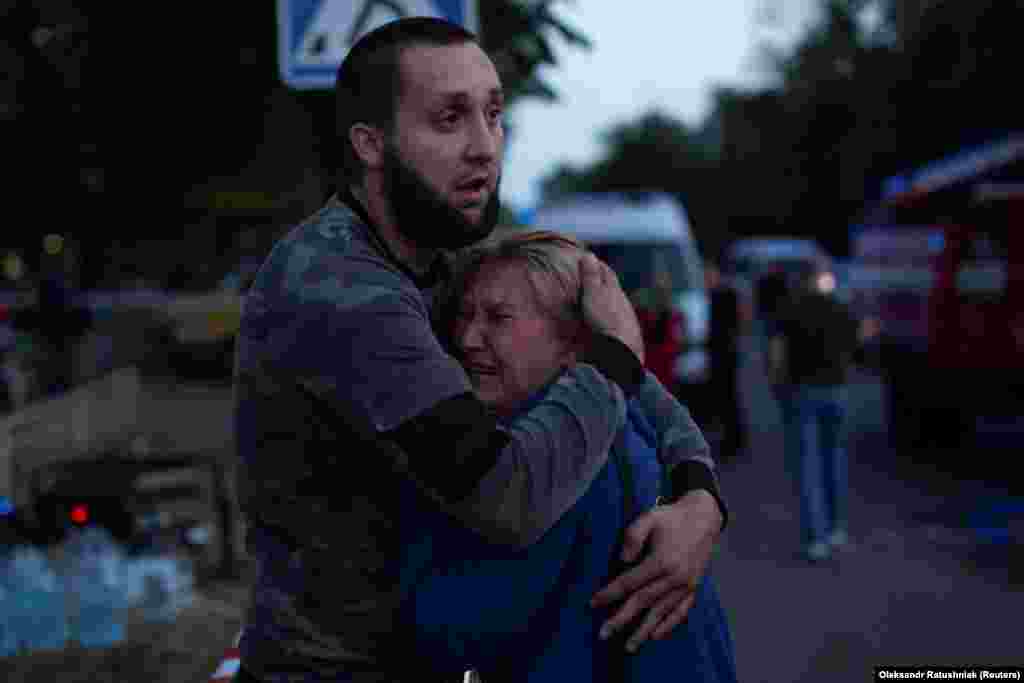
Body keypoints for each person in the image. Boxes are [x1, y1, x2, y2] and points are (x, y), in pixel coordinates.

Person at [232, 18, 727, 682]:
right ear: (371, 145)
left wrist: (699, 500)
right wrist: (610, 358)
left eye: (494, 115)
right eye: (449, 119)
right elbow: (506, 495)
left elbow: (634, 383)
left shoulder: (450, 253)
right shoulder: (341, 287)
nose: (485, 147)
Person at [399, 230, 736, 682]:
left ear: (576, 342)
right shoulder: (624, 415)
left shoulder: (559, 455)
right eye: (464, 315)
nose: (466, 338)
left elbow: (446, 627)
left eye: (498, 318)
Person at [767, 266, 860, 563]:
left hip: (803, 390)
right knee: (835, 459)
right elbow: (856, 346)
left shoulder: (791, 310)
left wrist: (777, 384)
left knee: (808, 464)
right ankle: (836, 529)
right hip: (837, 389)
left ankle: (816, 538)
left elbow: (777, 352)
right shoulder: (842, 309)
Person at [704, 264, 747, 461]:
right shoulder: (723, 295)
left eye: (710, 275)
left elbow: (731, 323)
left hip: (725, 351)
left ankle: (734, 439)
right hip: (724, 350)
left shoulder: (722, 295)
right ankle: (733, 438)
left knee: (728, 396)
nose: (707, 279)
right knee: (727, 396)